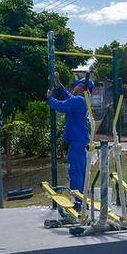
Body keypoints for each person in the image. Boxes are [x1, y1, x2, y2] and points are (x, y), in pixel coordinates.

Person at [46, 71, 92, 209]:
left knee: (75, 172)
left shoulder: (78, 100)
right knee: (80, 172)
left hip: (77, 140)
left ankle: (78, 204)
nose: (75, 87)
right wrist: (58, 83)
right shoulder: (82, 100)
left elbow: (62, 106)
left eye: (77, 85)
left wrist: (49, 98)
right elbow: (68, 97)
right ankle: (82, 201)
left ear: (82, 88)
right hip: (81, 139)